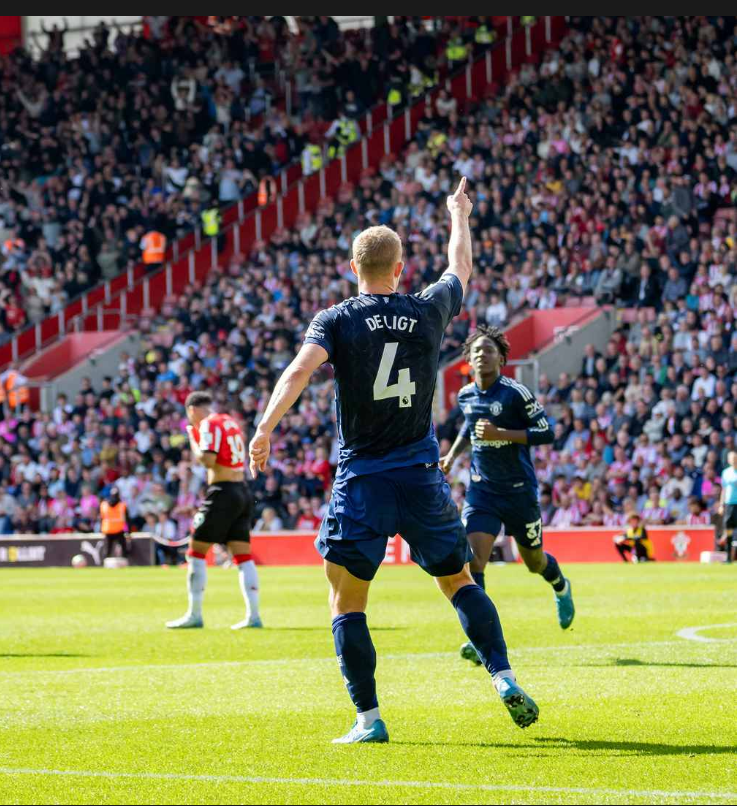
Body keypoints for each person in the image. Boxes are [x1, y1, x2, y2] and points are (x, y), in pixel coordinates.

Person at [247, 179, 538, 744]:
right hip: (423, 476)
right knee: (458, 580)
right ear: (400, 268)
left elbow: (299, 372)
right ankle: (502, 676)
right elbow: (462, 267)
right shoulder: (427, 309)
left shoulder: (335, 320)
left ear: (352, 266)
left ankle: (369, 719)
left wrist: (264, 428)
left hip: (363, 480)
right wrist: (459, 213)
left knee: (347, 597)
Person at [440, 325, 575, 666]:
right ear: (468, 360)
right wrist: (453, 455)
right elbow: (469, 428)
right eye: (476, 351)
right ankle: (482, 635)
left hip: (518, 492)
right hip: (482, 489)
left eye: (488, 350)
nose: (482, 355)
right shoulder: (466, 395)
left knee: (534, 562)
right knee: (474, 560)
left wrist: (503, 433)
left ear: (501, 358)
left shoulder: (516, 393)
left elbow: (548, 433)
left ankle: (560, 585)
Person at [167, 391, 260, 630]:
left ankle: (194, 614)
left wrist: (192, 438)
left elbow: (207, 460)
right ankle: (254, 616)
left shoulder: (207, 424)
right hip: (242, 490)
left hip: (223, 491)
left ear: (192, 410)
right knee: (243, 555)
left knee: (195, 550)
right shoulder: (230, 421)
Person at [99, 487, 131, 562]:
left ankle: (104, 567)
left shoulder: (104, 505)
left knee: (107, 551)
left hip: (108, 530)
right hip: (119, 530)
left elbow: (101, 518)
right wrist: (128, 532)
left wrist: (101, 530)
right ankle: (124, 565)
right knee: (123, 550)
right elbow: (127, 520)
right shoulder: (122, 505)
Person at [719, 451, 737, 562]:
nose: (734, 460)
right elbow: (724, 489)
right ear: (729, 460)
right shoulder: (726, 472)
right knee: (728, 530)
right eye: (732, 458)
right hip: (729, 504)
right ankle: (728, 557)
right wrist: (721, 504)